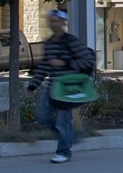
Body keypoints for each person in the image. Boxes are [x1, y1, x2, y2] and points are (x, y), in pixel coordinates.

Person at [26, 9, 96, 165]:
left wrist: (65, 63)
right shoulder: (49, 43)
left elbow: (87, 60)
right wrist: (33, 85)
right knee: (43, 115)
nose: (53, 24)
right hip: (52, 86)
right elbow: (44, 65)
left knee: (63, 121)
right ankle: (71, 137)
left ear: (64, 23)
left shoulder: (71, 41)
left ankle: (63, 152)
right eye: (51, 21)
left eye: (56, 21)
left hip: (68, 87)